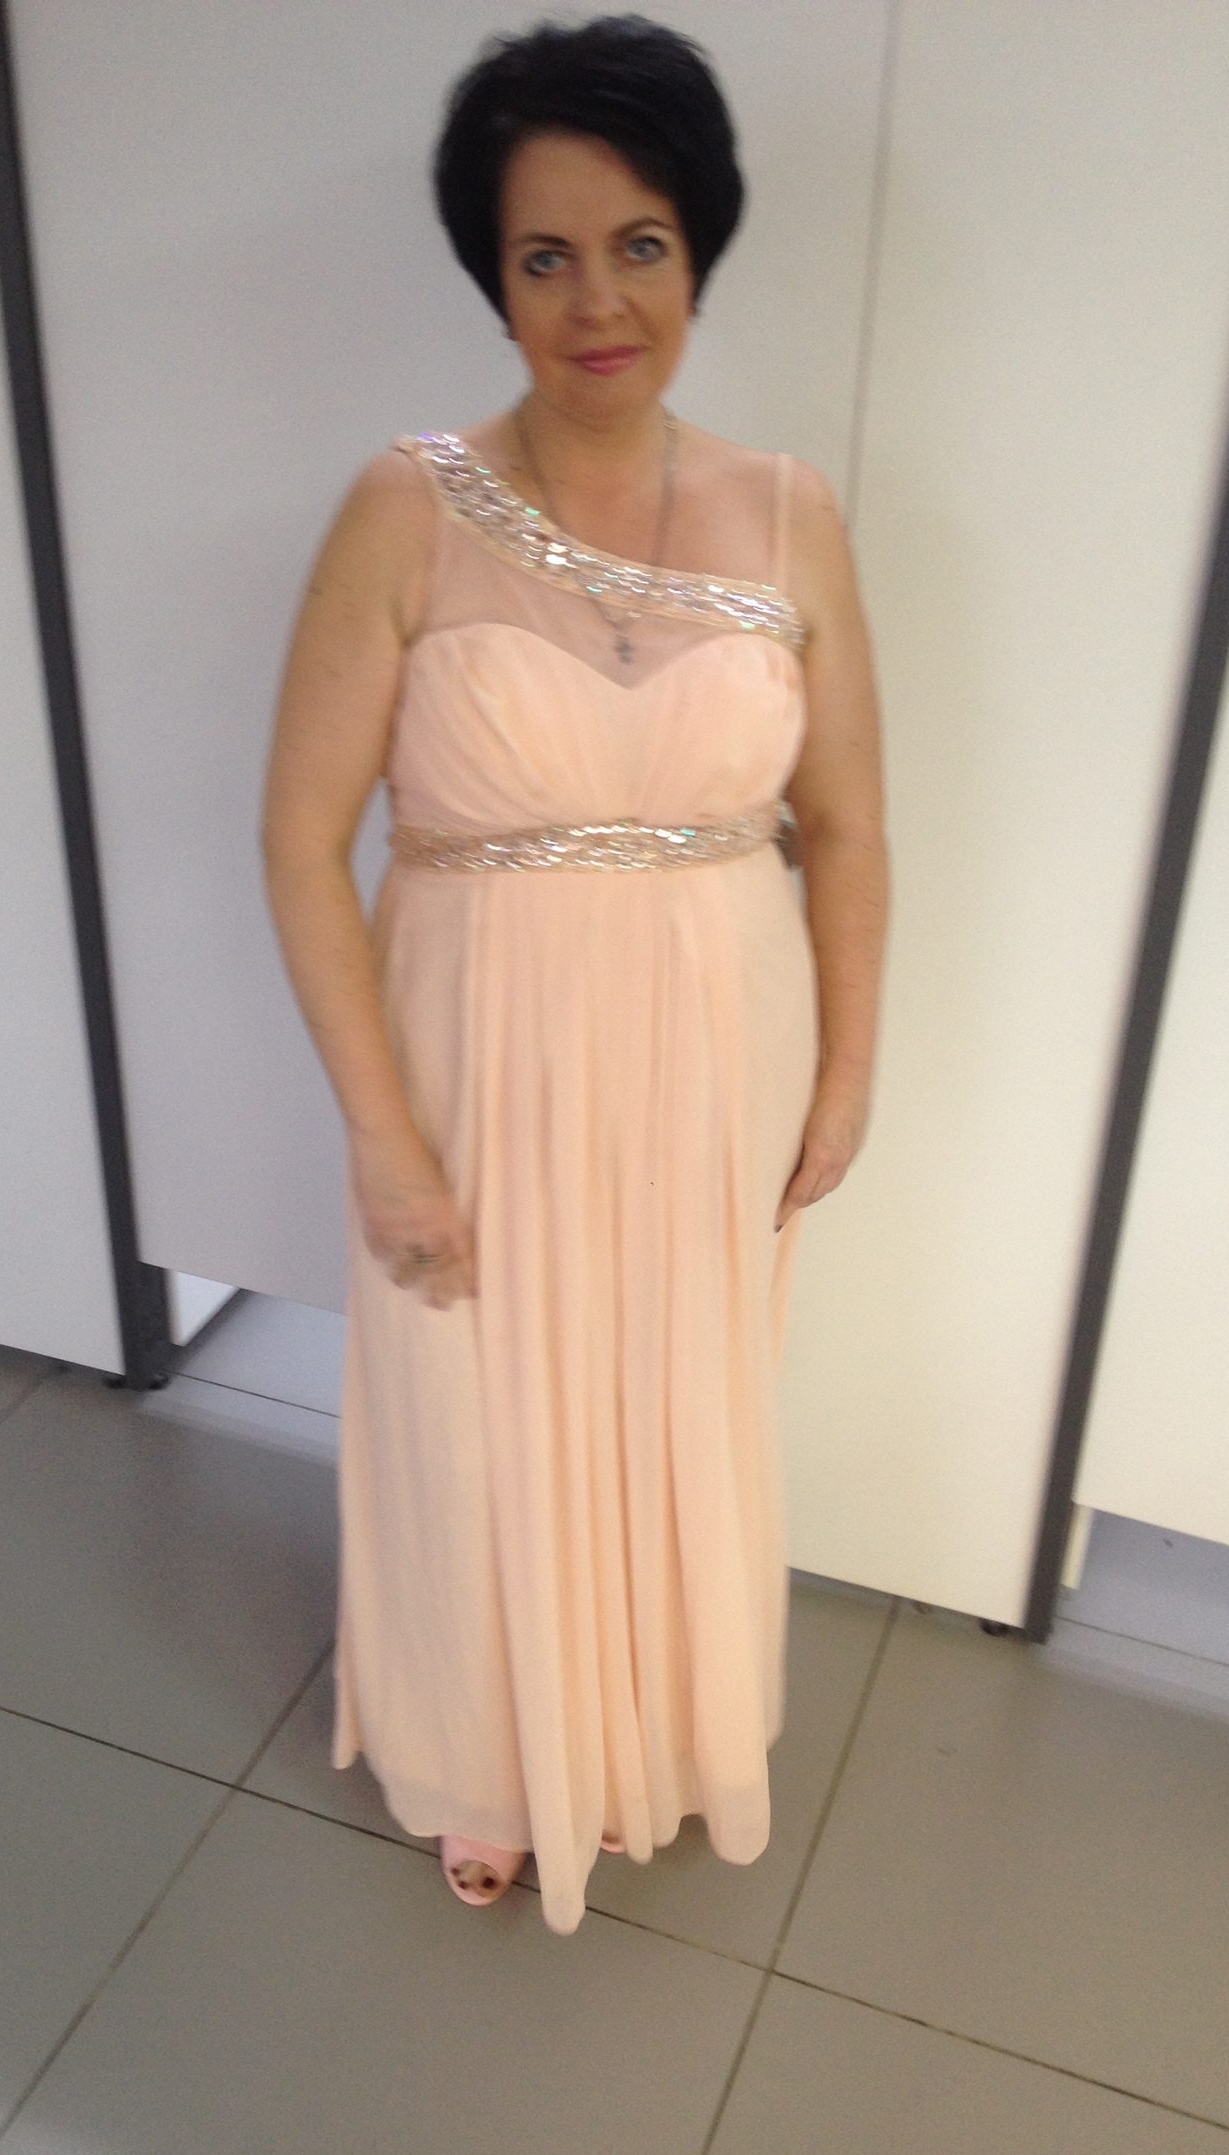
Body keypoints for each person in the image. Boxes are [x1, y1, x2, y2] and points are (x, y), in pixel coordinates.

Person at [261, 14, 886, 1935]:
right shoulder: (404, 507)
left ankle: (644, 1731)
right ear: (493, 273)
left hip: (716, 1045)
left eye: (640, 245)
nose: (597, 300)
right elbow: (300, 843)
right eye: (546, 255)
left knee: (676, 1390)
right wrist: (384, 1140)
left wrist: (848, 1073)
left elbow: (850, 826)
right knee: (475, 1399)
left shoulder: (790, 514)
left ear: (699, 251)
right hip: (474, 1049)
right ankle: (489, 1746)